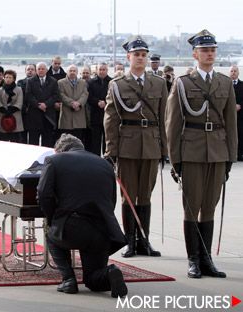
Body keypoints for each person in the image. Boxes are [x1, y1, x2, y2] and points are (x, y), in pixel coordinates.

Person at [165, 29, 237, 279]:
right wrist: (176, 161)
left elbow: (231, 124)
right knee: (191, 207)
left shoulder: (225, 82)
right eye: (205, 50)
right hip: (192, 152)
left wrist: (230, 157)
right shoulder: (183, 83)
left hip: (217, 152)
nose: (210, 53)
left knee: (209, 207)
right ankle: (193, 260)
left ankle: (207, 261)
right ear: (195, 54)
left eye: (213, 49)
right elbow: (173, 125)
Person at [37, 133, 127, 297]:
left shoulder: (54, 161)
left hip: (72, 227)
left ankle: (69, 280)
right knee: (93, 279)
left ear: (59, 150)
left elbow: (43, 194)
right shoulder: (105, 164)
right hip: (102, 229)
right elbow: (111, 200)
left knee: (50, 232)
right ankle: (110, 272)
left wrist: (53, 219)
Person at [104, 36, 167, 258]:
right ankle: (129, 241)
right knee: (129, 195)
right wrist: (112, 150)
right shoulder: (118, 84)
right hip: (127, 145)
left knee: (145, 195)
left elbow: (164, 118)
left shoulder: (159, 83)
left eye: (143, 55)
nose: (140, 58)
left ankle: (144, 241)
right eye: (136, 55)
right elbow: (110, 119)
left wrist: (164, 149)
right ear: (128, 57)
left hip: (151, 144)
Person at [25, 62, 59, 147]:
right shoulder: (30, 81)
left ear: (47, 70)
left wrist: (46, 104)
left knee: (47, 141)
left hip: (48, 116)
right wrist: (38, 105)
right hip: (34, 115)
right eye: (39, 69)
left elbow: (55, 95)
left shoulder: (53, 81)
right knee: (33, 141)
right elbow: (28, 95)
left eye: (43, 69)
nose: (41, 70)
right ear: (36, 70)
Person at [57, 65, 88, 141]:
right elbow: (61, 94)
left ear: (77, 72)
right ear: (67, 72)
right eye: (70, 71)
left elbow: (85, 94)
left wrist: (79, 103)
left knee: (78, 139)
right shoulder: (61, 82)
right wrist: (71, 103)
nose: (72, 72)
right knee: (66, 140)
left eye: (74, 71)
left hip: (79, 114)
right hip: (66, 115)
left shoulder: (83, 82)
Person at [87, 62, 112, 156]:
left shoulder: (111, 82)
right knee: (95, 142)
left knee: (107, 141)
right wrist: (97, 102)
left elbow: (114, 97)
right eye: (100, 69)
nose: (102, 71)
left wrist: (106, 102)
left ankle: (107, 161)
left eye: (104, 69)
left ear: (107, 70)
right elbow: (88, 97)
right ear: (97, 70)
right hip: (95, 115)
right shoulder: (91, 82)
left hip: (108, 115)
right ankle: (95, 161)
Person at [0, 69, 24, 142]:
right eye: (6, 77)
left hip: (15, 116)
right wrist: (4, 110)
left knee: (15, 140)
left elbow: (19, 102)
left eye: (10, 77)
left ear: (14, 79)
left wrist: (11, 110)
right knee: (2, 140)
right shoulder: (0, 90)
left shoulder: (19, 89)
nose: (8, 79)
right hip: (2, 116)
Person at [17, 64, 36, 143]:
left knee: (33, 137)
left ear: (35, 71)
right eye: (28, 69)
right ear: (25, 71)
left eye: (32, 69)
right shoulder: (20, 82)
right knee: (22, 137)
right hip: (23, 112)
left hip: (34, 111)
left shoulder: (38, 83)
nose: (30, 71)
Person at [229, 65, 243, 161]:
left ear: (238, 73)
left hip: (240, 115)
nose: (233, 73)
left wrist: (240, 105)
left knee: (240, 134)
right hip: (228, 115)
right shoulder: (225, 84)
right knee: (229, 135)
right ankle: (230, 155)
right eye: (232, 71)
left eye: (235, 71)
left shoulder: (242, 85)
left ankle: (240, 154)